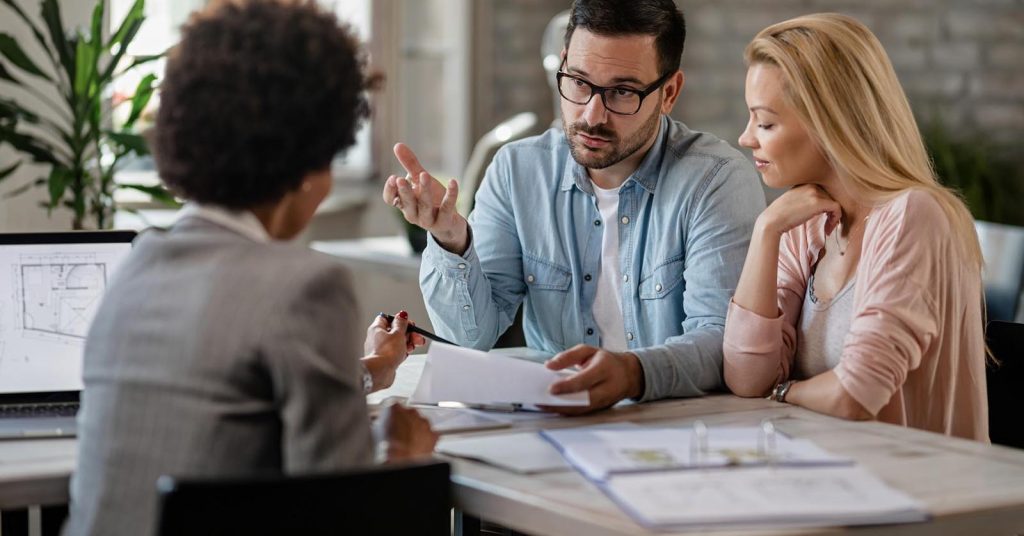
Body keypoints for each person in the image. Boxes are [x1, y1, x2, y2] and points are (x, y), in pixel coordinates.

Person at [65, 2, 438, 534]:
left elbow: (227, 406)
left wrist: (373, 369)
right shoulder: (305, 287)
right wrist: (406, 454)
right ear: (306, 164)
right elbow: (345, 515)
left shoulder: (136, 267)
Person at [383, 0, 765, 414]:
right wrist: (451, 240)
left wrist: (633, 373)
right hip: (554, 423)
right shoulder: (518, 171)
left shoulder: (716, 179)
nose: (592, 115)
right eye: (579, 82)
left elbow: (720, 341)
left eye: (622, 92)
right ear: (562, 65)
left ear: (668, 92)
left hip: (676, 425)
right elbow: (472, 338)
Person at [723, 13, 987, 441]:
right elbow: (746, 377)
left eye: (765, 122)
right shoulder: (803, 225)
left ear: (830, 124)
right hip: (832, 475)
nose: (746, 137)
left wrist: (783, 390)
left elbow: (855, 394)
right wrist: (766, 231)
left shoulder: (914, 216)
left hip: (922, 488)